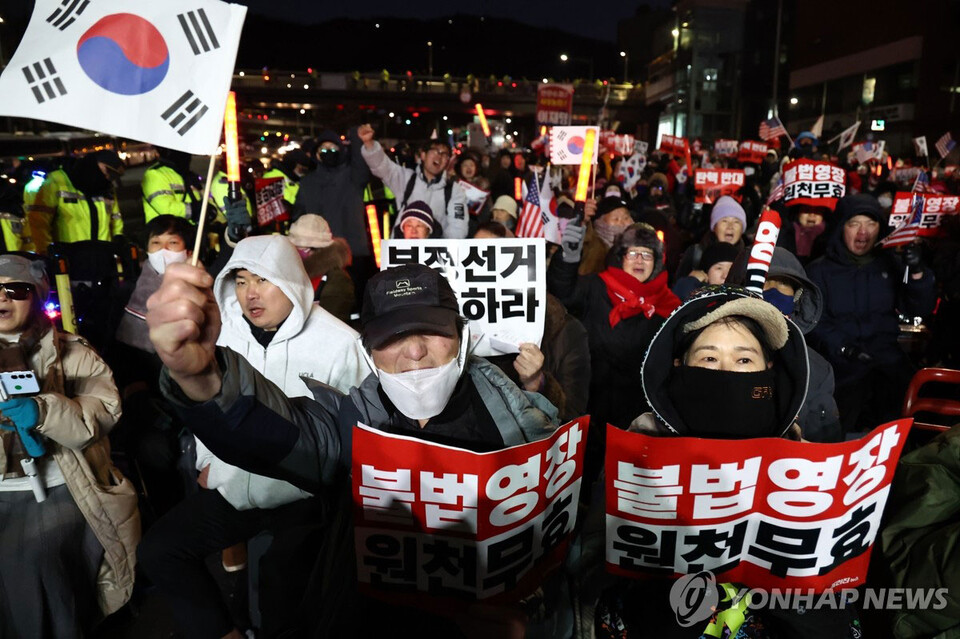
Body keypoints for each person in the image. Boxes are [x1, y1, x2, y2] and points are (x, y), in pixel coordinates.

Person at [147, 263, 562, 636]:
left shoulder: (525, 426)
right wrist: (201, 375)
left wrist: (539, 620)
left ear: (462, 335)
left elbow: (566, 556)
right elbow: (277, 434)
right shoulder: (350, 426)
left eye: (432, 331)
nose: (414, 352)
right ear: (368, 350)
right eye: (391, 336)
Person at [592, 286, 857, 638]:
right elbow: (594, 575)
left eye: (744, 360)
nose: (727, 372)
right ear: (679, 365)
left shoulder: (805, 466)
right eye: (709, 358)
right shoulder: (638, 455)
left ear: (769, 373)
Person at [139, 235, 369, 639]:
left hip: (303, 501)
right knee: (161, 549)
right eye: (241, 281)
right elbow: (212, 407)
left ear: (293, 280)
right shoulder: (221, 334)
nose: (250, 294)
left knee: (278, 597)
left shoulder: (341, 343)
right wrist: (208, 461)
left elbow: (357, 433)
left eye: (263, 280)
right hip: (235, 489)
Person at [0, 255, 138, 638]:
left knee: (37, 570)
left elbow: (102, 413)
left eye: (16, 289)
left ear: (37, 295)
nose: (3, 298)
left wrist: (43, 411)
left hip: (62, 489)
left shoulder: (73, 352)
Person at [548, 221, 680, 481]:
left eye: (647, 254)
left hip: (638, 420)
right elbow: (562, 292)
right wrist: (568, 257)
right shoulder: (596, 287)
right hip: (590, 408)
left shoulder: (669, 305)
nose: (639, 260)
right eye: (632, 253)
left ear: (657, 263)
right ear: (620, 257)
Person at [806, 193, 937, 433]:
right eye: (854, 224)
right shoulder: (819, 271)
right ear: (840, 228)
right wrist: (844, 348)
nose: (863, 232)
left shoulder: (890, 264)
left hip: (886, 362)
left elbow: (919, 308)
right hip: (840, 365)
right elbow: (814, 321)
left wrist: (917, 273)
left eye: (871, 223)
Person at [293, 128, 373, 292]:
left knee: (354, 301)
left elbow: (361, 164)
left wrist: (356, 137)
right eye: (323, 149)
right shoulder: (308, 183)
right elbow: (298, 215)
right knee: (323, 302)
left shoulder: (353, 176)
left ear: (342, 150)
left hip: (353, 253)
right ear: (316, 154)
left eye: (333, 148)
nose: (328, 152)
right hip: (319, 254)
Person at [358, 124, 468, 239]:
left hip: (434, 253)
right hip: (402, 249)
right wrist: (369, 144)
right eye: (435, 151)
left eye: (444, 154)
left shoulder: (455, 190)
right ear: (423, 155)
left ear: (448, 161)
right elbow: (381, 166)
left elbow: (458, 227)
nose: (439, 157)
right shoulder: (405, 178)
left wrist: (443, 251)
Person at [28, 150, 125, 255]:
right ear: (94, 162)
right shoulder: (57, 181)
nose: (107, 177)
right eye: (108, 171)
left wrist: (118, 238)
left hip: (102, 257)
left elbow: (116, 218)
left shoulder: (107, 188)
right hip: (70, 259)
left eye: (113, 176)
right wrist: (46, 252)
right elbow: (39, 222)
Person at [288, 214, 355, 323]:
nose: (296, 252)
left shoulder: (336, 279)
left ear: (316, 249)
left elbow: (332, 323)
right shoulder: (290, 273)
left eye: (300, 247)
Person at [675, 195, 746, 280]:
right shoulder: (696, 253)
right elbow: (677, 288)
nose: (730, 226)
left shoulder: (749, 258)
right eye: (724, 221)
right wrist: (690, 281)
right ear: (714, 227)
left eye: (736, 222)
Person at [580, 196, 634, 276]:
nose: (622, 223)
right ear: (600, 223)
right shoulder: (591, 246)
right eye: (616, 219)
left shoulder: (639, 245)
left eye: (626, 218)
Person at [671, 241, 738, 300]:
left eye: (731, 268)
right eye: (719, 268)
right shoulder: (698, 295)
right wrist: (691, 281)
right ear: (706, 273)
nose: (725, 275)